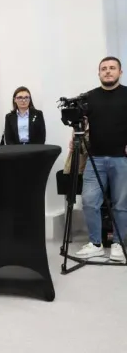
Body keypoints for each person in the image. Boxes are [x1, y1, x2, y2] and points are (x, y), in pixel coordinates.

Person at [74, 56, 127, 261]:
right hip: (95, 158)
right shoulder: (89, 97)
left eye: (112, 68)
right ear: (99, 73)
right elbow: (81, 122)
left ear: (120, 72)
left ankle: (118, 244)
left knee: (121, 205)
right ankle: (95, 243)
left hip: (121, 159)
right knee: (89, 202)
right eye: (104, 68)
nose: (108, 71)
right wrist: (75, 134)